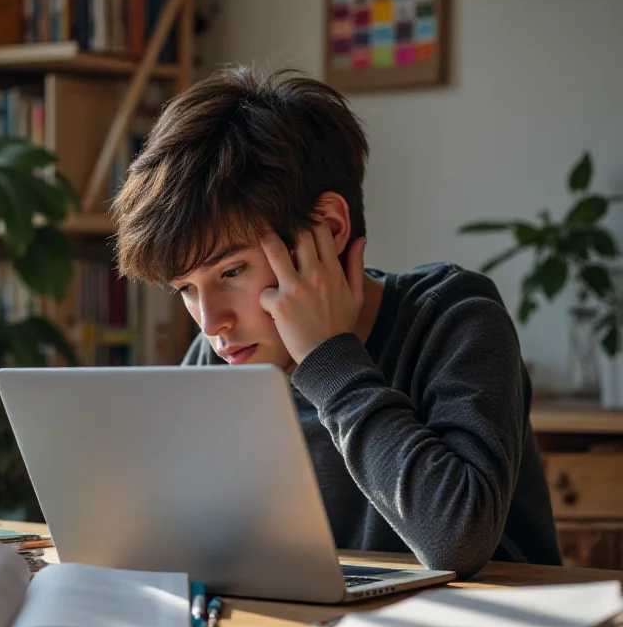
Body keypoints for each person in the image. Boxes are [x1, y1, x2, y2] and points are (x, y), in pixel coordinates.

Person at [110, 66, 562, 579]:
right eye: (186, 289)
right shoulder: (222, 357)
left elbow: (457, 541)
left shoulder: (454, 319)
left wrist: (328, 357)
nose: (212, 323)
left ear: (327, 228)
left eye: (231, 272)